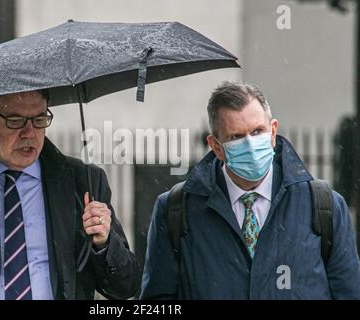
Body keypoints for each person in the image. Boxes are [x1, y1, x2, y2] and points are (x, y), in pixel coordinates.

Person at [0, 90, 139, 300]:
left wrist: (104, 243)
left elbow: (124, 287)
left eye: (39, 120)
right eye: (16, 121)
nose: (29, 133)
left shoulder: (83, 182)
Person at [140, 81, 360, 299]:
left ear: (273, 132)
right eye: (236, 137)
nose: (251, 145)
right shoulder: (177, 210)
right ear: (216, 147)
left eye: (257, 131)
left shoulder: (323, 205)